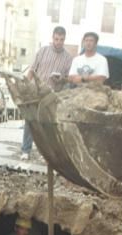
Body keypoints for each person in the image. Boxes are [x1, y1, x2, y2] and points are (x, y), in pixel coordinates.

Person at [22, 26, 72, 161]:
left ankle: (44, 154)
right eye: (56, 39)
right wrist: (26, 85)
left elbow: (68, 79)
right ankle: (26, 150)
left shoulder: (68, 58)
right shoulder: (43, 51)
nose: (58, 42)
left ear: (64, 40)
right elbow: (32, 70)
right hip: (36, 92)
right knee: (31, 121)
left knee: (47, 125)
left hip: (52, 95)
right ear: (52, 38)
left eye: (61, 39)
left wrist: (61, 79)